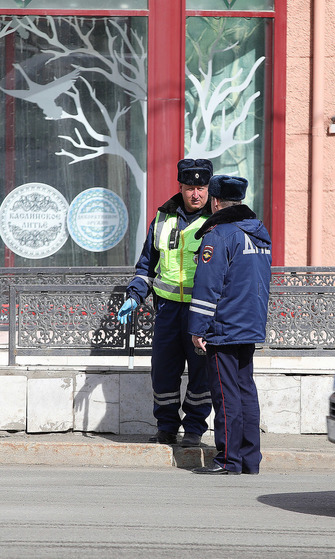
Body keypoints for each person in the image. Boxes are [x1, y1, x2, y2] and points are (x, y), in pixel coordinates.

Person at [117, 158, 214, 448]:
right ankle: (167, 427)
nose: (196, 194)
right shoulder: (162, 218)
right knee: (164, 371)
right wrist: (134, 295)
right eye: (189, 188)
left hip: (202, 311)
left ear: (209, 188)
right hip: (168, 310)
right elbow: (146, 266)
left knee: (201, 374)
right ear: (180, 188)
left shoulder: (216, 221)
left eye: (201, 187)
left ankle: (194, 430)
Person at [188, 174, 272, 475]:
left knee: (225, 394)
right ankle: (250, 460)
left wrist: (198, 328)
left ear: (214, 201)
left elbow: (208, 286)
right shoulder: (258, 233)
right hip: (249, 323)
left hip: (224, 326)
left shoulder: (219, 235)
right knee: (245, 390)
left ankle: (228, 460)